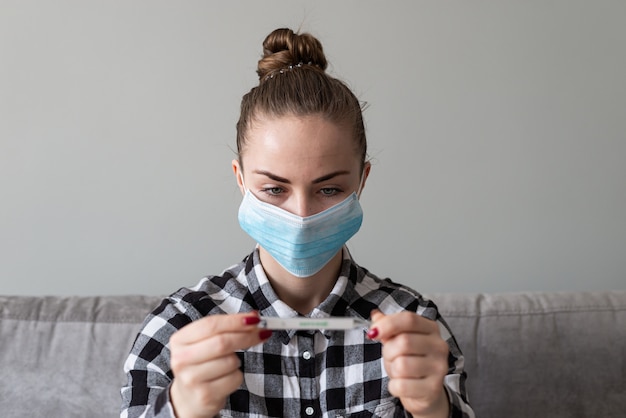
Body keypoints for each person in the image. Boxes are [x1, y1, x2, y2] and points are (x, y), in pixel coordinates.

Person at [121, 27, 475, 418]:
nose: (302, 215)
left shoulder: (414, 327)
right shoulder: (178, 327)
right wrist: (181, 407)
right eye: (274, 189)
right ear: (241, 180)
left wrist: (432, 408)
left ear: (362, 181)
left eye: (329, 190)